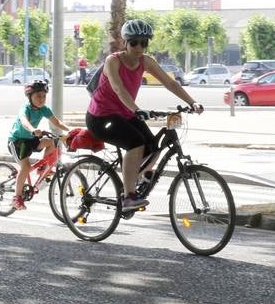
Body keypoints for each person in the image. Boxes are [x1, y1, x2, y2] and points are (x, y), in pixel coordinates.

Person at [86, 19, 202, 211]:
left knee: (154, 146)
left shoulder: (146, 61)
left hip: (125, 112)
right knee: (135, 144)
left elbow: (170, 83)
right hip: (101, 117)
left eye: (144, 42)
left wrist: (192, 102)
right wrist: (136, 109)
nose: (139, 47)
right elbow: (118, 88)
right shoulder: (112, 61)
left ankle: (140, 175)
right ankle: (128, 197)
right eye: (134, 42)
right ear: (125, 42)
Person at [7, 80, 70, 212]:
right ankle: (16, 198)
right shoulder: (25, 109)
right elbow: (24, 121)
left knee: (52, 141)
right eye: (38, 96)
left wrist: (70, 130)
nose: (41, 99)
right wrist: (32, 129)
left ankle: (42, 169)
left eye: (44, 96)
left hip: (32, 139)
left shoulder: (44, 109)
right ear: (30, 97)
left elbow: (57, 122)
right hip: (18, 142)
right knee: (25, 167)